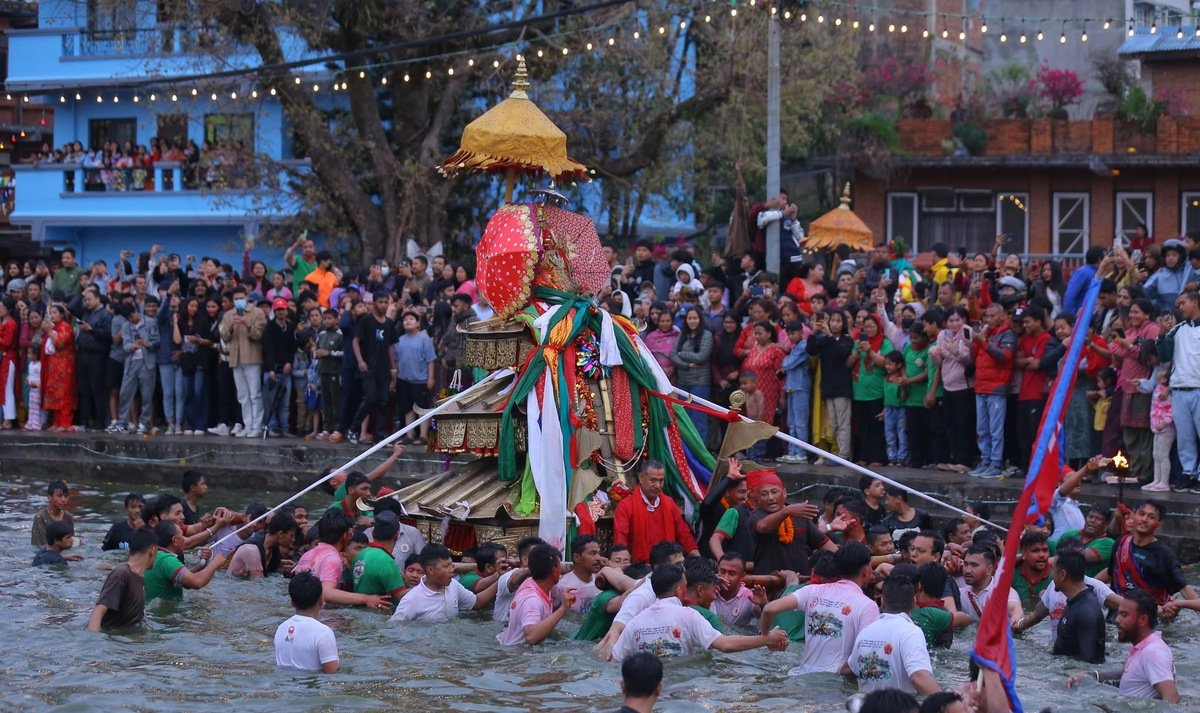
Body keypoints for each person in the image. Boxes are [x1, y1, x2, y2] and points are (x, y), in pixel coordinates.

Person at [610, 563, 788, 661]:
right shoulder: (689, 615)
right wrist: (766, 639)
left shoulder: (636, 622)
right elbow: (725, 645)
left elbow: (613, 661)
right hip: (681, 690)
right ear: (681, 589)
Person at [759, 542, 880, 675]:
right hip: (834, 684)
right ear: (867, 570)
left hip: (800, 675)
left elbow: (769, 609)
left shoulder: (812, 591)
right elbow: (867, 655)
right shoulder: (867, 605)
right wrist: (843, 670)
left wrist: (766, 637)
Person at [1066, 590, 1179, 704]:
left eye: (1124, 615)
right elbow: (1131, 674)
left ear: (1142, 620)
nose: (1117, 620)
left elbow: (1172, 700)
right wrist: (1092, 676)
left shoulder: (1152, 652)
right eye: (1118, 613)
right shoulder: (1144, 649)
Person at [848, 574, 940, 695]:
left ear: (882, 601)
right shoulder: (911, 632)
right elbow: (919, 677)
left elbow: (850, 669)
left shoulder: (865, 632)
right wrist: (949, 705)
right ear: (914, 601)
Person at [293, 510, 391, 609]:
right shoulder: (333, 558)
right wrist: (366, 599)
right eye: (350, 534)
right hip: (324, 616)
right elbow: (327, 593)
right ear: (345, 536)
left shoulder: (307, 555)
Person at [748, 470, 833, 575]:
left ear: (784, 493)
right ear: (758, 499)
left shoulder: (799, 516)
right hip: (767, 584)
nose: (770, 498)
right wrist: (787, 511)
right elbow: (763, 526)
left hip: (799, 585)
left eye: (774, 492)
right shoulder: (757, 515)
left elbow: (824, 543)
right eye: (764, 494)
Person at [1109, 500, 1195, 605]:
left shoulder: (1164, 554)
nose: (1144, 519)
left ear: (1158, 524)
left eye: (1151, 517)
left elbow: (1182, 586)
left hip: (1150, 614)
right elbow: (1110, 572)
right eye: (1141, 514)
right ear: (1134, 516)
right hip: (1118, 612)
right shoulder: (1121, 543)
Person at [613, 460, 699, 563]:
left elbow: (684, 534)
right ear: (641, 478)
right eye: (653, 480)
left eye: (661, 481)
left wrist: (697, 557)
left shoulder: (669, 503)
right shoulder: (626, 506)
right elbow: (620, 541)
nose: (658, 485)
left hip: (669, 567)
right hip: (639, 567)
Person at [1156, 290, 1200, 490]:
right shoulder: (1177, 329)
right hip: (1180, 389)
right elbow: (1164, 355)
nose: (1179, 307)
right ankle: (1188, 473)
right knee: (1185, 436)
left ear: (1195, 302)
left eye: (1183, 303)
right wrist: (1163, 333)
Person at [391, 544, 498, 622]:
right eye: (446, 566)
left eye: (452, 565)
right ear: (430, 570)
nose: (452, 569)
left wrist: (500, 580)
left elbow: (476, 602)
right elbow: (395, 630)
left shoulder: (453, 585)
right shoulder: (411, 600)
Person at [971, 303, 1017, 478]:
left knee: (995, 429)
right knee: (982, 429)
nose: (988, 320)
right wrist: (976, 342)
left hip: (997, 388)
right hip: (981, 386)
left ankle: (996, 463)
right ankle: (985, 460)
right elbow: (974, 358)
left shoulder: (1008, 334)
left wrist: (984, 342)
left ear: (1002, 316)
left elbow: (1004, 357)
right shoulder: (987, 334)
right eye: (986, 317)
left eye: (992, 316)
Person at [497, 544, 576, 645]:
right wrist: (563, 608)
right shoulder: (532, 600)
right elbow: (531, 637)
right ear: (555, 571)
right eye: (559, 567)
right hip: (518, 656)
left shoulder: (532, 583)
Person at [218, 285, 267, 438]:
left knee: (255, 394)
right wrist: (232, 325)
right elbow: (224, 336)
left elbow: (259, 335)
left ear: (247, 298)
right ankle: (247, 424)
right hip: (235, 357)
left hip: (252, 357)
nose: (239, 301)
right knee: (243, 395)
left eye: (241, 298)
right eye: (236, 299)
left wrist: (247, 324)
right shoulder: (228, 315)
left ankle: (257, 425)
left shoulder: (257, 313)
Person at [1042, 550, 1107, 664]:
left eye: (1053, 570)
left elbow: (1088, 663)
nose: (1052, 575)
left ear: (1062, 574)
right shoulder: (1074, 602)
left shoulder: (1086, 611)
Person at [87, 528, 157, 631]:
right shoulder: (121, 574)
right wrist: (93, 643)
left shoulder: (139, 577)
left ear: (129, 551)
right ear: (152, 551)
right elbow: (99, 610)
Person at [145, 520, 227, 601]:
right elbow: (197, 582)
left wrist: (202, 562)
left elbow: (186, 583)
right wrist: (215, 564)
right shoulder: (167, 560)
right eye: (182, 535)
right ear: (175, 540)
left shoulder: (154, 555)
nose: (185, 539)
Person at [274, 571, 339, 673]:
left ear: (292, 602)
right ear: (321, 601)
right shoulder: (323, 632)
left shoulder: (281, 629)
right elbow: (332, 673)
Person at [960, 544, 1023, 625]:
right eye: (965, 564)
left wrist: (1017, 619)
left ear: (989, 569)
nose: (968, 570)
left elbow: (1014, 608)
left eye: (974, 565)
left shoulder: (1003, 592)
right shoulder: (959, 593)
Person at [229, 511, 298, 578]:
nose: (294, 539)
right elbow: (259, 585)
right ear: (280, 534)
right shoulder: (251, 550)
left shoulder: (273, 550)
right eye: (291, 536)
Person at [351, 517, 407, 599]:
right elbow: (400, 596)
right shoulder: (387, 561)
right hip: (379, 611)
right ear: (396, 534)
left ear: (373, 533)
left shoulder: (360, 555)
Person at [711, 553, 766, 630]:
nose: (725, 577)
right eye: (722, 572)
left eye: (732, 573)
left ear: (742, 576)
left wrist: (763, 605)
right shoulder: (709, 590)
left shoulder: (750, 596)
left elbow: (766, 624)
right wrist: (710, 581)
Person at [559, 535, 604, 613]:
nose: (598, 558)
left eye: (598, 553)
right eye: (593, 553)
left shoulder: (602, 583)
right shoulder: (562, 585)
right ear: (577, 557)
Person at [1011, 531, 1052, 604]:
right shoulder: (1012, 575)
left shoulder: (1056, 577)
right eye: (1035, 551)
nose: (1042, 555)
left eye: (1045, 550)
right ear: (1023, 553)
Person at [31, 479, 75, 547]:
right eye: (59, 496)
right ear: (49, 497)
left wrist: (77, 542)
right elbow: (40, 546)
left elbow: (70, 541)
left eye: (66, 496)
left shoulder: (68, 517)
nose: (63, 500)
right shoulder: (40, 517)